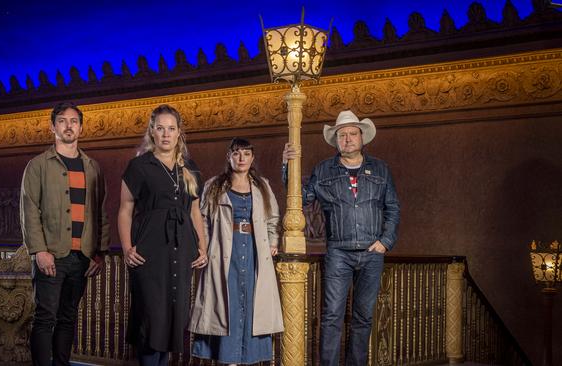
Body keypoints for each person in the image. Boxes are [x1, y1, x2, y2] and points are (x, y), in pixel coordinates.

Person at [283, 110, 400, 366]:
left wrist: (385, 242)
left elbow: (392, 207)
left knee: (363, 317)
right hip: (338, 253)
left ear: (362, 138)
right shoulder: (323, 170)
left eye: (352, 134)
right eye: (342, 135)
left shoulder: (380, 169)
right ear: (336, 140)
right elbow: (299, 199)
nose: (347, 139)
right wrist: (288, 166)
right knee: (332, 317)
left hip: (372, 253)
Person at [117, 104, 208, 366]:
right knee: (151, 316)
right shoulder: (139, 166)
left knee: (172, 317)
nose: (166, 134)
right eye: (160, 128)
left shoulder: (189, 167)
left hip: (182, 250)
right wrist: (127, 248)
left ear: (179, 132)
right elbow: (125, 210)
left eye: (171, 128)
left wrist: (202, 246)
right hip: (149, 251)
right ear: (152, 132)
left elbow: (194, 211)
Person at [20, 101, 109, 366]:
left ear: (81, 128)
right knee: (45, 317)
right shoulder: (38, 165)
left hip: (82, 257)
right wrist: (39, 251)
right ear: (53, 127)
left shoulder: (92, 167)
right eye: (62, 121)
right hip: (51, 255)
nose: (68, 126)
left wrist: (100, 252)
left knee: (68, 318)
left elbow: (101, 210)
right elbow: (29, 210)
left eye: (73, 121)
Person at [189, 138, 284, 365]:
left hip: (254, 252)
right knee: (227, 304)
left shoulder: (262, 185)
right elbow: (203, 220)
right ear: (229, 157)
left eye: (246, 154)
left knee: (252, 304)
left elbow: (272, 219)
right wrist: (205, 247)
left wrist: (272, 242)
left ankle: (248, 359)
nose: (241, 158)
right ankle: (228, 359)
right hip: (223, 252)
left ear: (252, 158)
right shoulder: (214, 185)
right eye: (237, 153)